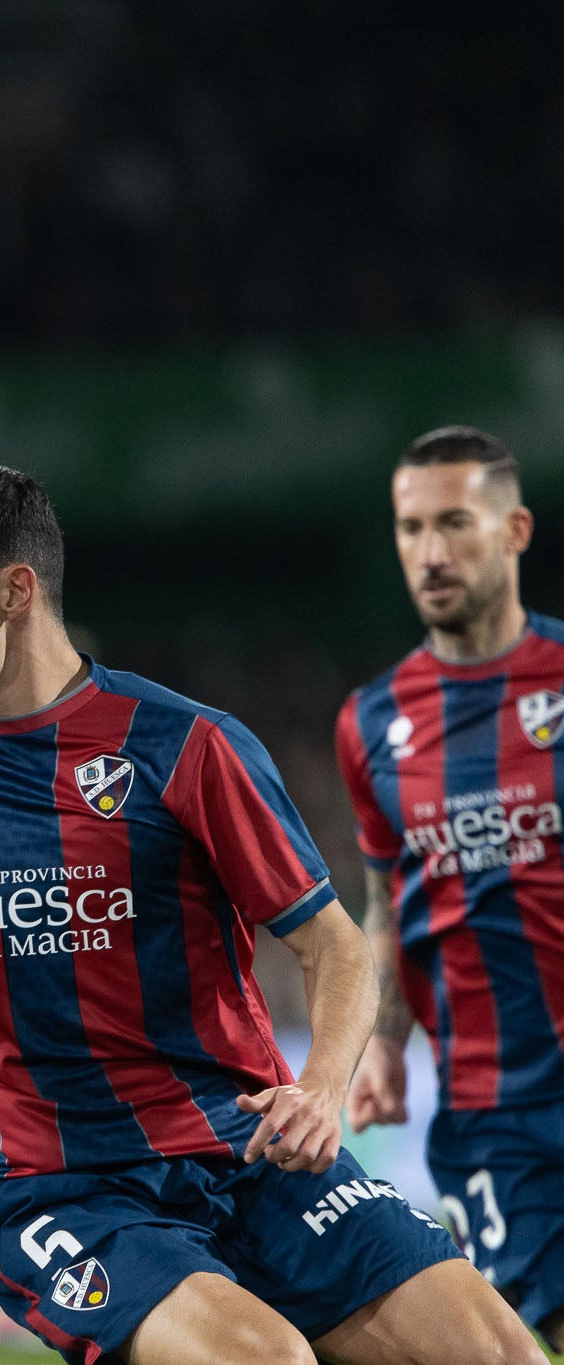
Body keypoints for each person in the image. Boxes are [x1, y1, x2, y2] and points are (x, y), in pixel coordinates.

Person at [0, 461, 538, 1364]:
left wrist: (322, 1086)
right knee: (264, 1359)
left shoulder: (185, 745)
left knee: (500, 1354)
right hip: (65, 1186)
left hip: (250, 1151)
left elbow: (333, 945)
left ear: (15, 591)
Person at [338, 425, 564, 1351]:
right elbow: (387, 902)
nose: (429, 553)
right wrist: (384, 1040)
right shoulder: (371, 721)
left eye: (455, 524)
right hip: (489, 1108)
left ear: (514, 530)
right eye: (410, 527)